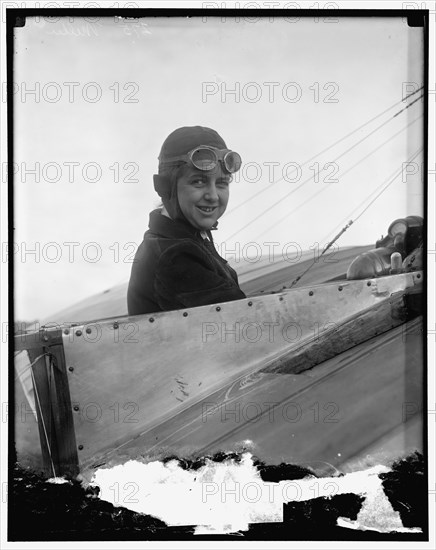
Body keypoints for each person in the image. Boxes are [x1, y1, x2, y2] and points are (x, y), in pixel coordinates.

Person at [127, 126, 246, 315]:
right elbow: (244, 321)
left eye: (222, 183)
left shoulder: (179, 240)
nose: (213, 196)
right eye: (198, 181)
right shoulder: (175, 256)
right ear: (167, 187)